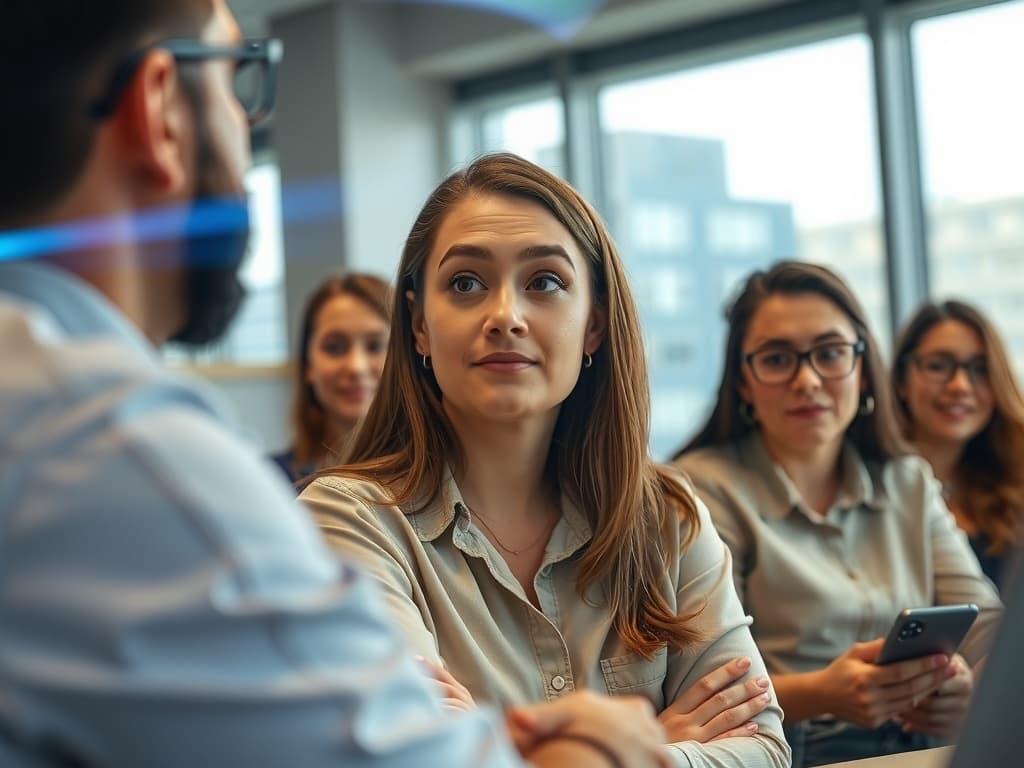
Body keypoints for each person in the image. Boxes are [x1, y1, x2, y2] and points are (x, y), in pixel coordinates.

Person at [0, 2, 674, 767]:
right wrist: (605, 750)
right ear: (161, 108)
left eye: (547, 281)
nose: (505, 318)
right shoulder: (107, 445)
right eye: (236, 80)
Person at [301, 153, 791, 768]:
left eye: (545, 282)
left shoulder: (668, 516)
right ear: (419, 325)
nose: (505, 316)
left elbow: (765, 748)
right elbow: (411, 757)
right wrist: (648, 745)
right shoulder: (346, 521)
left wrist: (509, 747)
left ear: (593, 326)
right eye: (465, 283)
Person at [673, 261, 1003, 767]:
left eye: (829, 354)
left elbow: (988, 628)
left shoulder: (908, 481)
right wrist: (820, 693)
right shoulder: (701, 490)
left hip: (927, 749)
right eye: (778, 359)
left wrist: (966, 686)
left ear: (863, 369)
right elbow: (703, 682)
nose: (807, 380)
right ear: (743, 381)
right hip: (794, 752)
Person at [892, 300, 1024, 592]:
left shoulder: (1012, 488)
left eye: (979, 369)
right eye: (938, 366)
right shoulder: (875, 492)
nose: (960, 386)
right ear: (901, 380)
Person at [272, 273, 390, 485]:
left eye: (375, 346)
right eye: (334, 348)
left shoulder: (440, 479)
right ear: (308, 365)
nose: (356, 367)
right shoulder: (269, 482)